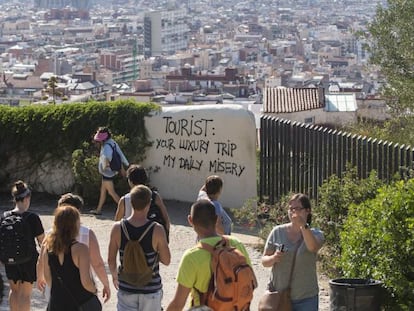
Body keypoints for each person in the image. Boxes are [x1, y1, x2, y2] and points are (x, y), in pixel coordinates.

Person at [166, 199, 252, 311]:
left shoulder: (191, 257)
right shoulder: (236, 244)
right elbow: (249, 281)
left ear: (190, 220)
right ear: (216, 219)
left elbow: (178, 303)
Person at [37, 193, 111, 303]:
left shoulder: (49, 236)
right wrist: (105, 284)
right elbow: (97, 263)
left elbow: (41, 261)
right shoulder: (87, 234)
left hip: (56, 291)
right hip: (81, 290)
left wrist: (40, 278)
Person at [108, 184, 171, 310]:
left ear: (130, 202)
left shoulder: (117, 228)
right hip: (151, 288)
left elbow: (110, 260)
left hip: (127, 287)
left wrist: (115, 276)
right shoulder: (156, 229)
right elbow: (166, 260)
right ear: (149, 204)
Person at [261, 193, 324, 311]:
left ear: (307, 211)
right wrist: (274, 258)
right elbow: (264, 262)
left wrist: (303, 226)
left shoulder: (316, 234)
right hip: (278, 296)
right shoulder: (277, 231)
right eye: (291, 208)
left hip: (306, 298)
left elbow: (312, 247)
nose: (293, 212)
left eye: (297, 209)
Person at [40, 204, 99, 311]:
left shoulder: (47, 248)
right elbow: (86, 282)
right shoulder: (81, 249)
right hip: (79, 302)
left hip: (56, 303)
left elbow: (48, 279)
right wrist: (94, 290)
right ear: (74, 225)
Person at [1, 181, 44, 311]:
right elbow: (43, 242)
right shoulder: (33, 217)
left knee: (14, 291)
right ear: (27, 198)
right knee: (25, 294)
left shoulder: (4, 216)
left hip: (10, 259)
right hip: (29, 260)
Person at [114, 164, 170, 239]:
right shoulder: (155, 196)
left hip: (131, 240)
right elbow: (166, 218)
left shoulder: (124, 200)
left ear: (130, 181)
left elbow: (117, 223)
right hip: (152, 238)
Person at [91, 126, 129, 215]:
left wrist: (104, 167)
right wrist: (125, 164)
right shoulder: (112, 142)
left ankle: (126, 209)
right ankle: (98, 209)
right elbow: (120, 154)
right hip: (111, 171)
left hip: (107, 172)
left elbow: (107, 158)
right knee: (103, 191)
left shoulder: (106, 146)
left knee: (112, 193)